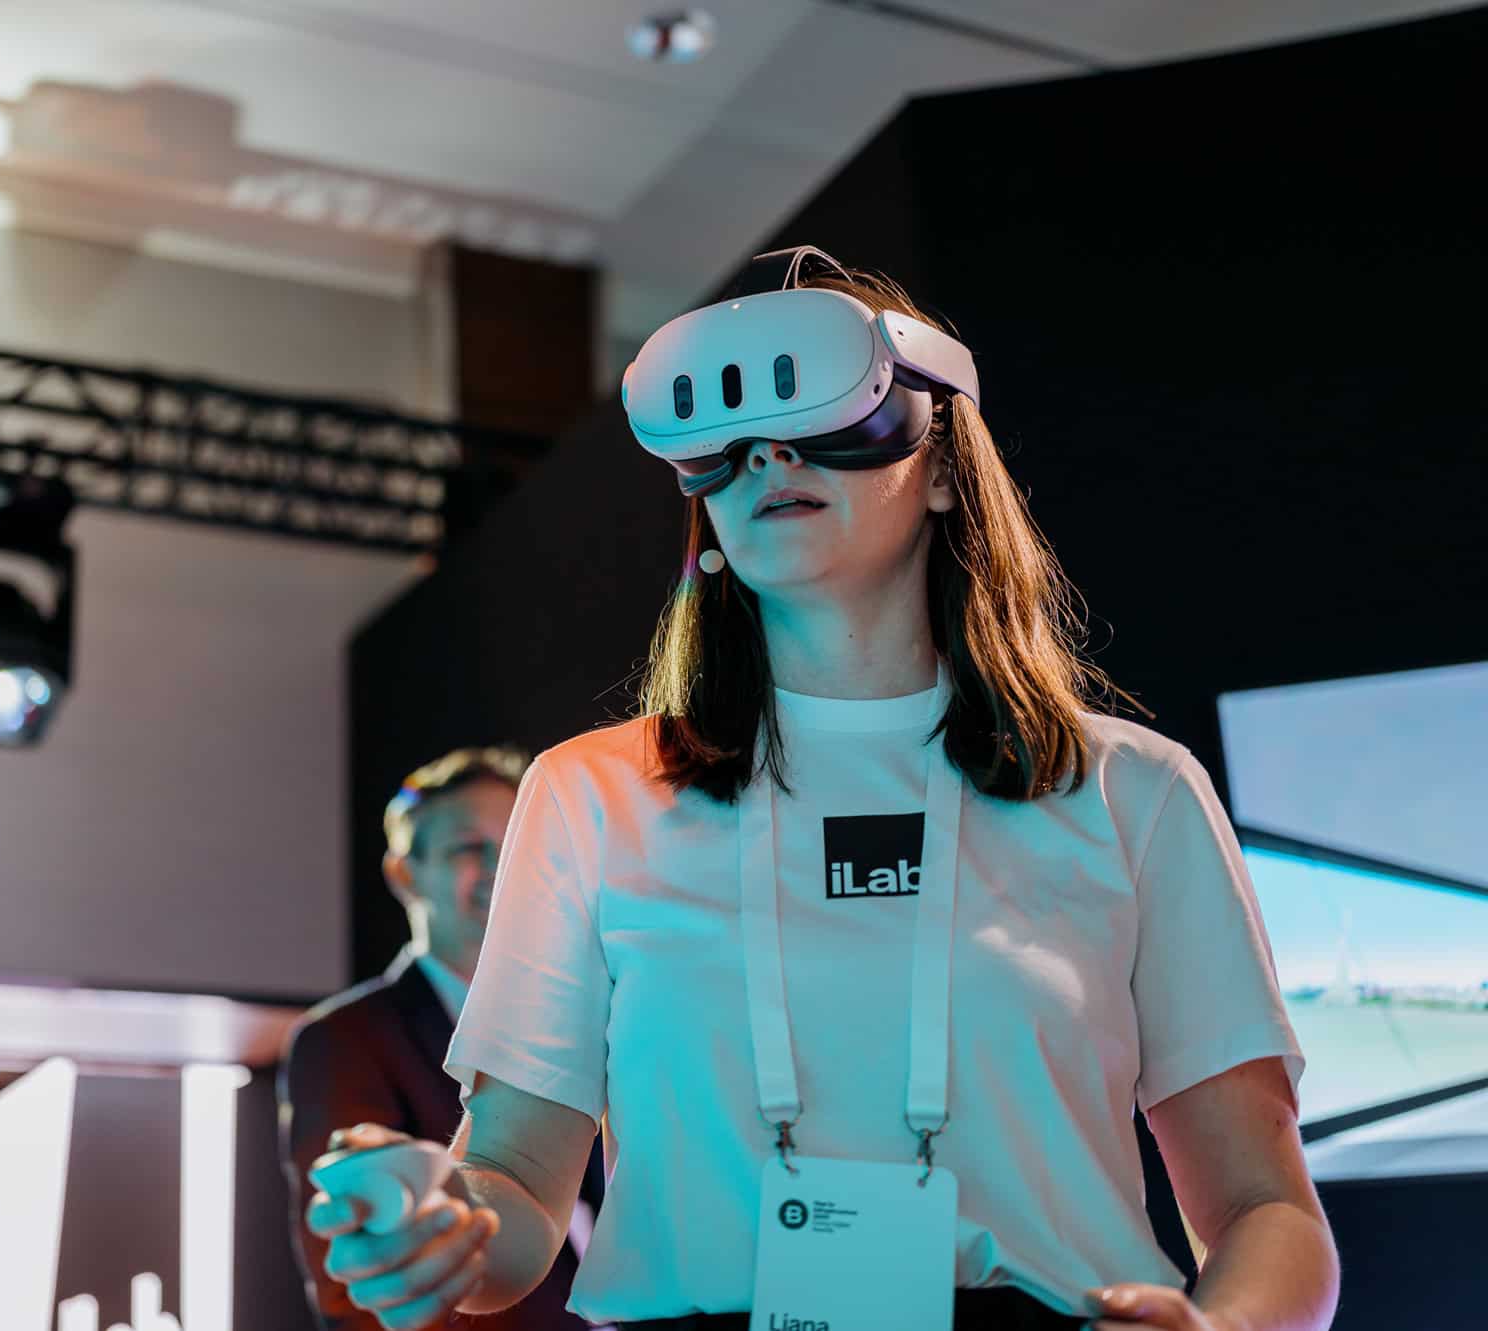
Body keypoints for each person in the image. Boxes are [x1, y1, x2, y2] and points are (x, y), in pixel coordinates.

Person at [304, 249, 1340, 1331]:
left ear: (943, 469)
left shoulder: (1128, 789)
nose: (771, 457)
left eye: (830, 418)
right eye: (733, 441)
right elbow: (514, 1184)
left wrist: (1219, 1327)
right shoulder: (591, 795)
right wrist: (441, 1220)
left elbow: (1266, 1206)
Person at [279, 746, 604, 1331]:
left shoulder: (590, 1019)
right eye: (468, 849)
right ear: (405, 873)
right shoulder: (344, 1041)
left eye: (516, 850)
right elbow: (359, 1279)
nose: (500, 871)